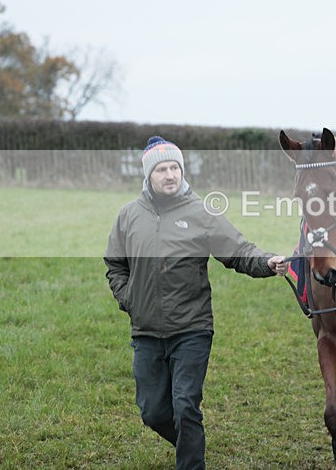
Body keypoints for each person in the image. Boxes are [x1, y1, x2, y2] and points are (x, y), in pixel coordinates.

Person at [104, 136, 288, 470]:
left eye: (175, 168)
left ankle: (191, 461)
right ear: (148, 175)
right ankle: (191, 444)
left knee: (186, 405)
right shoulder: (128, 215)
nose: (170, 175)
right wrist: (129, 299)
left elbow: (238, 250)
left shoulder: (202, 212)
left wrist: (266, 262)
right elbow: (115, 265)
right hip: (146, 330)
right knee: (152, 412)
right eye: (162, 169)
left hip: (192, 328)